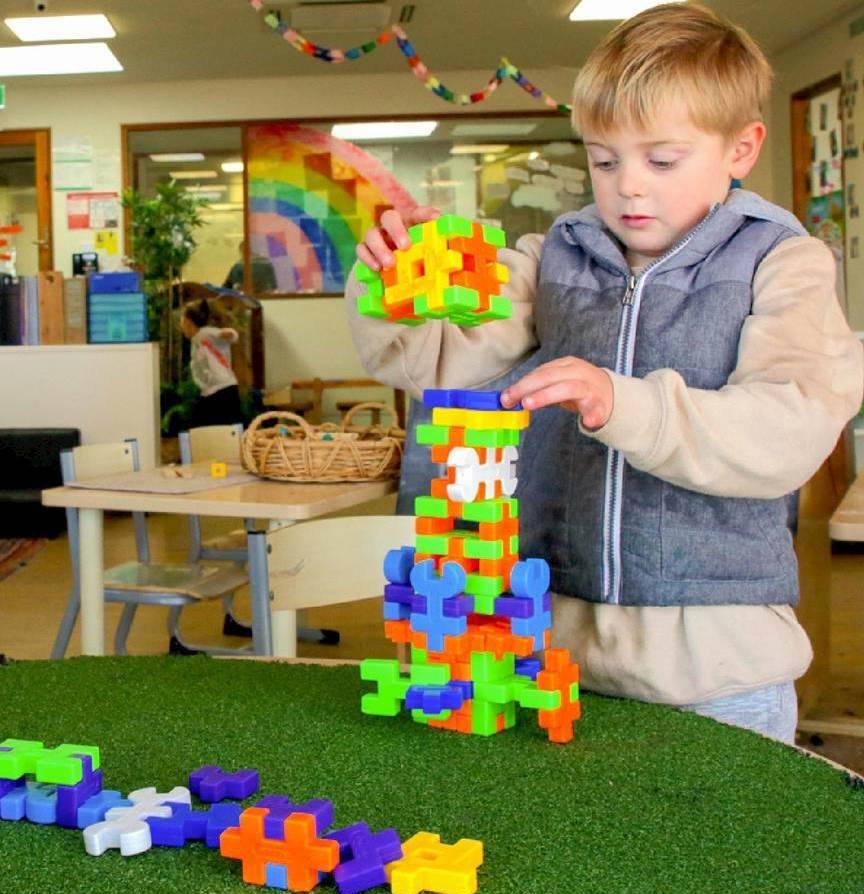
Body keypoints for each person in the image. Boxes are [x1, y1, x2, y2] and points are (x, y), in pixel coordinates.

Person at [347, 2, 863, 743]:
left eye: (662, 159)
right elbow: (437, 358)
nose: (629, 188)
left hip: (719, 672)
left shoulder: (782, 263)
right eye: (603, 158)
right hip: (561, 660)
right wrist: (399, 282)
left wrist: (625, 404)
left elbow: (787, 429)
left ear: (741, 148)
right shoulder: (553, 253)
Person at [183, 299, 243, 428]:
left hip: (223, 389)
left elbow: (230, 335)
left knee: (225, 431)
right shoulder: (195, 340)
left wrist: (229, 334)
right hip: (210, 391)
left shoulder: (205, 333)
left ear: (188, 321)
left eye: (182, 320)